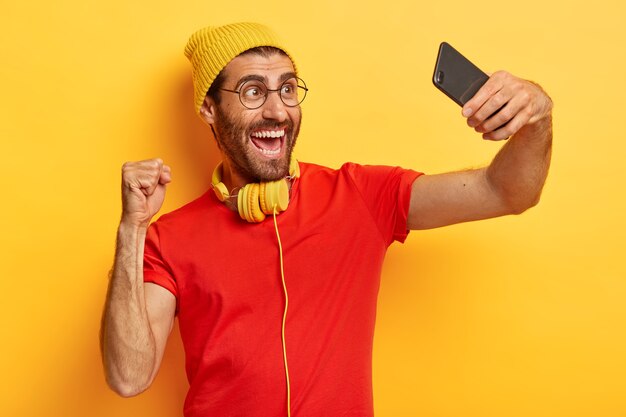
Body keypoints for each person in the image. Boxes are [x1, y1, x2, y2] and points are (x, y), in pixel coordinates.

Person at [100, 22, 552, 417]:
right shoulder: (168, 238)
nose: (277, 110)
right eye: (253, 91)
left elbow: (507, 192)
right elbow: (129, 376)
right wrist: (131, 229)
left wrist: (538, 113)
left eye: (288, 89)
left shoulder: (360, 196)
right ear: (210, 109)